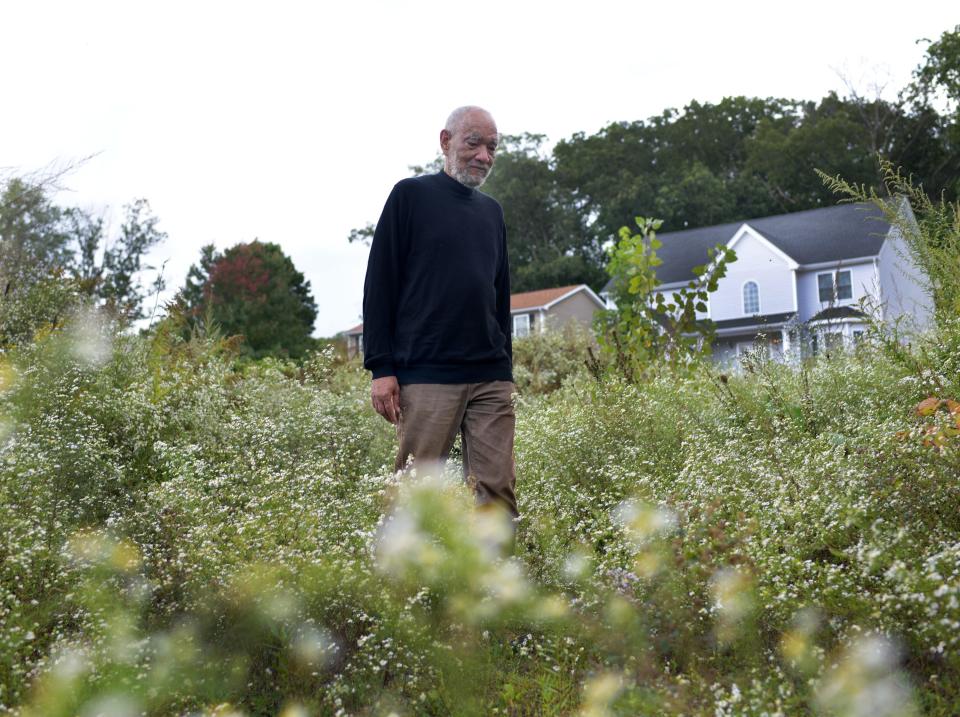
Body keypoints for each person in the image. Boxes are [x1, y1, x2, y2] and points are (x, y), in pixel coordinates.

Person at [362, 105, 518, 519]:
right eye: (474, 143)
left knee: (497, 489)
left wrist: (506, 369)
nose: (484, 155)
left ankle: (493, 580)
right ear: (446, 141)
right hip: (427, 373)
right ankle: (402, 581)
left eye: (492, 147)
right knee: (416, 492)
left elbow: (499, 296)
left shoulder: (492, 213)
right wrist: (382, 368)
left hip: (489, 376)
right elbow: (380, 284)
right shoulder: (410, 196)